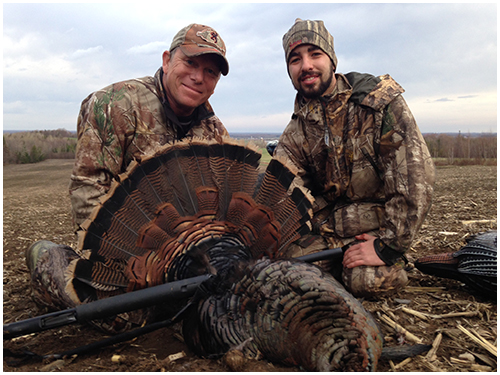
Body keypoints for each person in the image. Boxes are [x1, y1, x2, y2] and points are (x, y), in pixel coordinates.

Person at [25, 24, 230, 330]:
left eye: (211, 72)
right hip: (124, 253)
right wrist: (137, 262)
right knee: (121, 317)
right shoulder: (115, 104)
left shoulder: (213, 131)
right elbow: (88, 191)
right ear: (166, 60)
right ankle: (48, 256)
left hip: (184, 256)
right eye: (190, 62)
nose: (199, 77)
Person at [273, 19, 435, 297]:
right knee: (283, 276)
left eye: (315, 54)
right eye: (295, 59)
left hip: (375, 229)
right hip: (327, 232)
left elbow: (414, 177)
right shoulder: (296, 130)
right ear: (289, 70)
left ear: (332, 60)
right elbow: (283, 193)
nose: (306, 66)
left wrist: (387, 245)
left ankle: (388, 260)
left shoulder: (378, 103)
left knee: (366, 280)